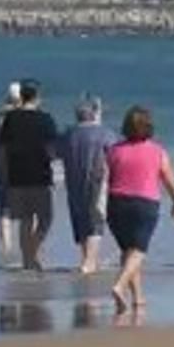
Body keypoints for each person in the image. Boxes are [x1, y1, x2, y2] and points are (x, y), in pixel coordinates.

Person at [105, 106, 174, 313]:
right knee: (139, 251)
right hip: (145, 204)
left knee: (128, 251)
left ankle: (138, 297)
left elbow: (105, 178)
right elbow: (169, 180)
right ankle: (120, 285)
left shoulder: (114, 150)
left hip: (116, 203)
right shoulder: (157, 151)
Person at [0, 78, 59, 270]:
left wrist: (4, 175)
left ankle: (27, 260)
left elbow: (1, 147)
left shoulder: (11, 119)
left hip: (16, 176)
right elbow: (53, 149)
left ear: (22, 96)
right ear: (37, 97)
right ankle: (31, 252)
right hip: (40, 176)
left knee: (25, 219)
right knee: (45, 218)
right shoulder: (46, 119)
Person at [58, 94, 115, 274]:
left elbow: (54, 152)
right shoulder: (105, 133)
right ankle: (89, 262)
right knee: (95, 221)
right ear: (95, 114)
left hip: (73, 181)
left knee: (81, 218)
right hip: (97, 180)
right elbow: (115, 155)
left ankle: (87, 259)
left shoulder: (69, 134)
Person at [0, 82, 24, 265]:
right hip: (22, 162)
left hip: (2, 161)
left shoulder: (1, 114)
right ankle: (29, 244)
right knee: (29, 203)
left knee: (4, 206)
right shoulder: (27, 115)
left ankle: (6, 246)